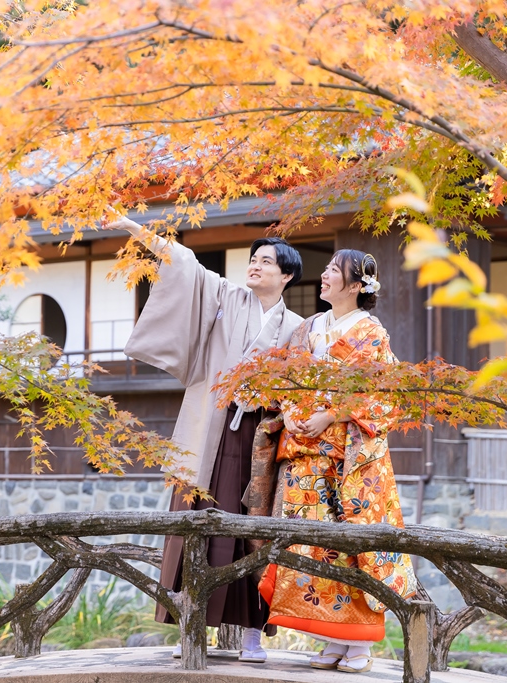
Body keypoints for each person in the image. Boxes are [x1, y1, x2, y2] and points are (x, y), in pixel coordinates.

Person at [107, 214, 304, 662]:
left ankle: (252, 636)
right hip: (210, 428)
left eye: (266, 261)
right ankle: (191, 627)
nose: (254, 266)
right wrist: (129, 226)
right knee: (197, 519)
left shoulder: (296, 326)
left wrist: (270, 395)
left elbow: (299, 387)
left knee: (251, 529)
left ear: (287, 274)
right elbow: (184, 261)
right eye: (252, 259)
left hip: (259, 438)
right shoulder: (228, 297)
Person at [257, 249, 417, 674]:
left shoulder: (370, 333)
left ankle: (359, 645)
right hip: (308, 452)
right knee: (313, 545)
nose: (324, 275)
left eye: (333, 271)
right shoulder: (310, 328)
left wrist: (330, 413)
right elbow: (288, 378)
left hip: (348, 458)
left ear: (355, 286)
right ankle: (330, 638)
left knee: (350, 547)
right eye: (326, 268)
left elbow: (384, 392)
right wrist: (291, 412)